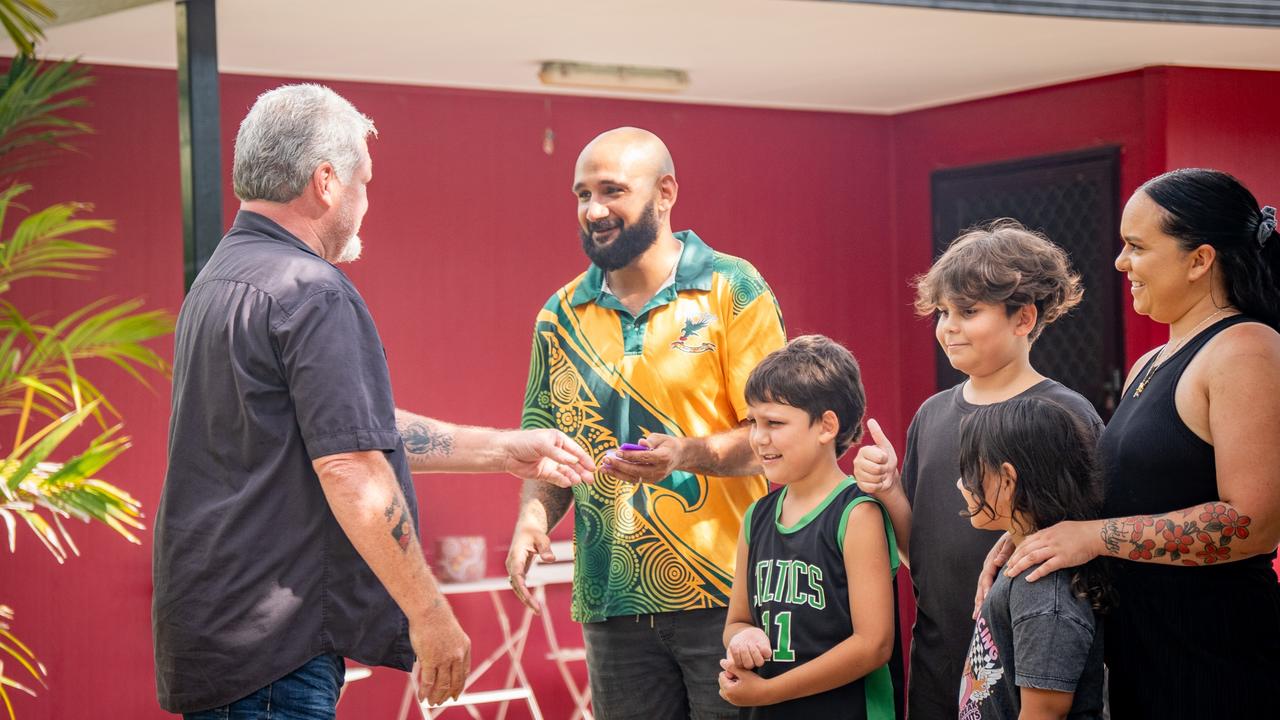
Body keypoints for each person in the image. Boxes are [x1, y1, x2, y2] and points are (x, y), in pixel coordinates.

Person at [153, 84, 596, 719]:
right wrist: (430, 613)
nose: (366, 202)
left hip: (219, 633)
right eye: (364, 181)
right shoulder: (311, 289)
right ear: (326, 181)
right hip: (275, 649)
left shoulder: (222, 279)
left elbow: (344, 428)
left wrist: (503, 449)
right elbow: (351, 465)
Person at [505, 127, 787, 719]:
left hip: (729, 599)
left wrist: (686, 454)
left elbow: (774, 437)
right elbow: (547, 444)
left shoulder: (731, 290)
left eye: (611, 190)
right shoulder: (559, 316)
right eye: (582, 194)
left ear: (665, 192)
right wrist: (533, 518)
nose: (593, 210)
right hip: (611, 606)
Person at [996, 169, 1280, 718]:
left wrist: (1095, 537)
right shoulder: (1151, 362)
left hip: (1218, 663)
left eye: (1137, 247)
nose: (1121, 262)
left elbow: (1254, 523)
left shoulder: (1247, 349)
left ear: (1199, 260)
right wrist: (1038, 536)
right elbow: (1128, 497)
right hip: (1143, 658)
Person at [851, 220, 1103, 720]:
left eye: (968, 311)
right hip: (939, 664)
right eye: (943, 312)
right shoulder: (932, 414)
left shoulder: (1065, 416)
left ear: (1023, 318)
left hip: (1029, 671)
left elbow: (1092, 550)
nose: (949, 327)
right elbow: (916, 555)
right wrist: (889, 490)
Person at [719, 335, 903, 719]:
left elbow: (874, 645)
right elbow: (736, 621)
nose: (758, 437)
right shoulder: (757, 517)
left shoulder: (857, 514)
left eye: (774, 422)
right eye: (753, 421)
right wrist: (743, 638)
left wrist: (769, 692)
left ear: (826, 426)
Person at [956, 396, 1108, 720]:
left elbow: (1045, 713)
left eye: (970, 472)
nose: (960, 484)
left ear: (1008, 480)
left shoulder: (1042, 588)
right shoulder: (1023, 565)